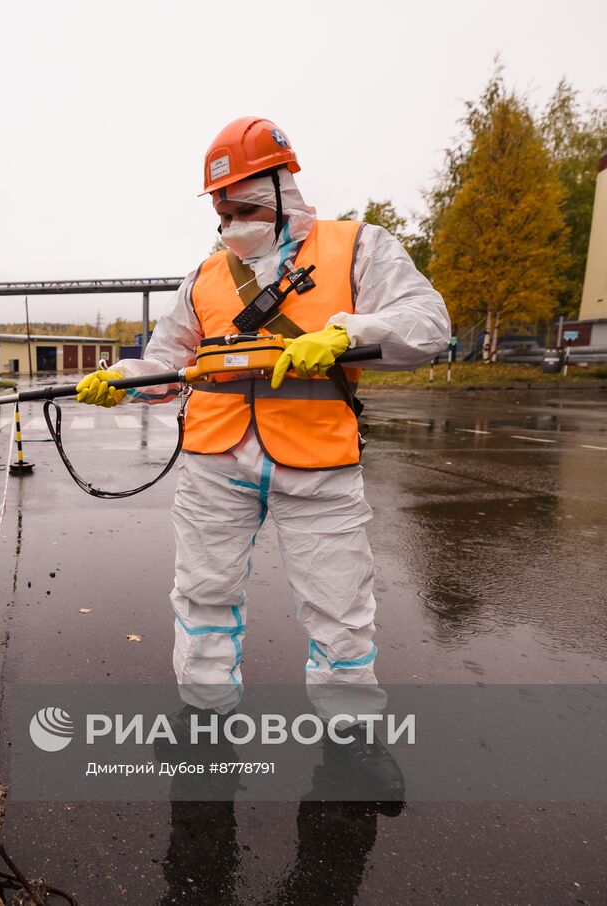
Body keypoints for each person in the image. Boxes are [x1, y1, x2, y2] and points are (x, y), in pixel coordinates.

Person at [77, 116, 449, 791]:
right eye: (221, 208)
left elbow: (428, 326)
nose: (230, 219)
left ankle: (351, 740)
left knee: (339, 605)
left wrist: (348, 334)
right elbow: (169, 361)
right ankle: (204, 718)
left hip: (318, 460)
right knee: (202, 594)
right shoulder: (207, 276)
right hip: (215, 463)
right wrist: (125, 380)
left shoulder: (357, 247)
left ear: (282, 187)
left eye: (244, 204)